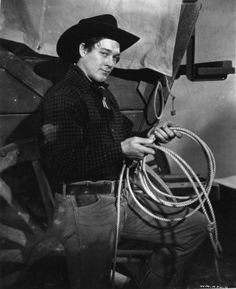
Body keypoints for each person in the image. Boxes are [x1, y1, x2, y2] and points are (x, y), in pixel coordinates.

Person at [38, 14, 208, 289]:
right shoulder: (63, 97)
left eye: (115, 57)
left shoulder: (102, 95)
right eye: (104, 54)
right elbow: (62, 164)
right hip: (85, 207)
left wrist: (152, 137)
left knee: (194, 226)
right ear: (83, 50)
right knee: (92, 283)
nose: (110, 63)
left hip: (120, 199)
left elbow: (126, 138)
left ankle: (143, 284)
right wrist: (121, 149)